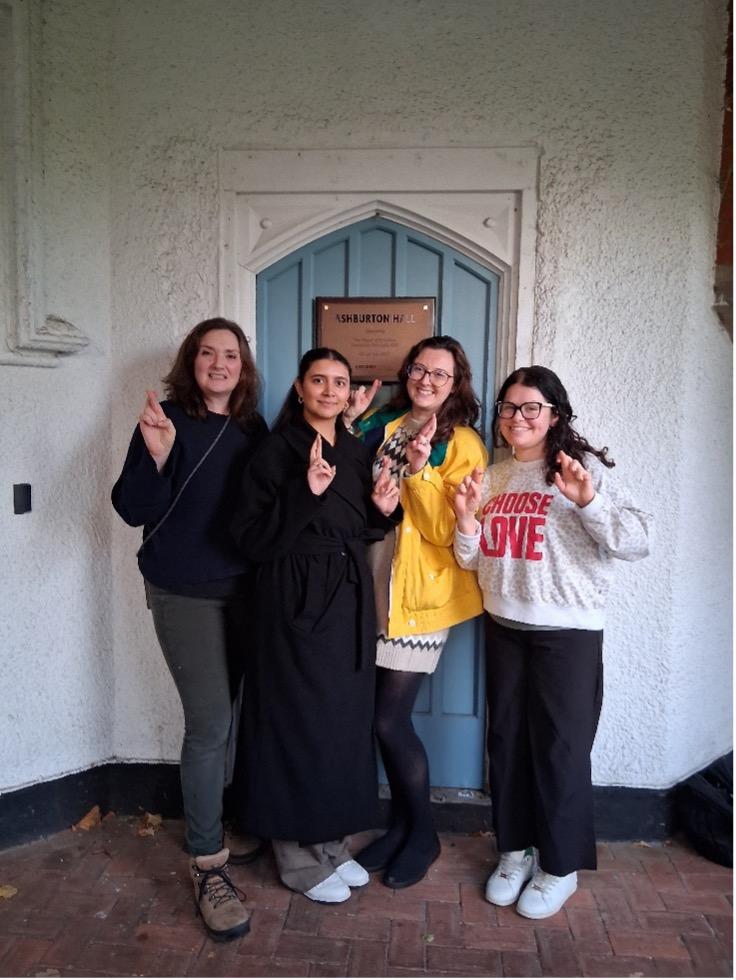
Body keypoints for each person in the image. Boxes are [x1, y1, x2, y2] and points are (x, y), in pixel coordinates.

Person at [452, 365, 651, 919]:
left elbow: (638, 541)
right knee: (508, 746)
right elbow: (471, 561)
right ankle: (514, 852)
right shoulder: (492, 476)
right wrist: (466, 519)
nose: (518, 417)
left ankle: (558, 867)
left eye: (531, 407)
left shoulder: (579, 468)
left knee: (561, 753)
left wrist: (589, 503)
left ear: (555, 414)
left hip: (568, 634)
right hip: (504, 627)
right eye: (509, 408)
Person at [111, 317, 268, 941]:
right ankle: (208, 864)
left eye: (230, 354)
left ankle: (220, 820)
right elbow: (131, 510)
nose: (219, 363)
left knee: (231, 713)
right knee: (209, 723)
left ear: (244, 366)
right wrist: (154, 455)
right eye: (207, 353)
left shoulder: (252, 428)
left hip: (244, 591)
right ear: (191, 361)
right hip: (184, 592)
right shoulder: (166, 420)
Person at [230, 348, 401, 904]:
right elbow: (250, 539)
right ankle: (297, 857)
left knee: (339, 723)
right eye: (319, 381)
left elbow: (358, 525)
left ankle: (329, 843)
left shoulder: (353, 449)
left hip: (347, 599)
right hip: (293, 600)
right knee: (296, 721)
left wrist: (381, 508)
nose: (330, 390)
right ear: (300, 388)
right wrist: (305, 493)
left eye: (339, 381)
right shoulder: (274, 451)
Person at [344, 336, 488, 889]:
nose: (427, 379)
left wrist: (423, 473)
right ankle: (401, 828)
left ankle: (422, 835)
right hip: (375, 584)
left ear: (456, 383)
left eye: (441, 374)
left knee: (389, 718)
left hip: (422, 597)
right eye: (420, 369)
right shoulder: (387, 424)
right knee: (378, 716)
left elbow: (446, 531)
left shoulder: (465, 443)